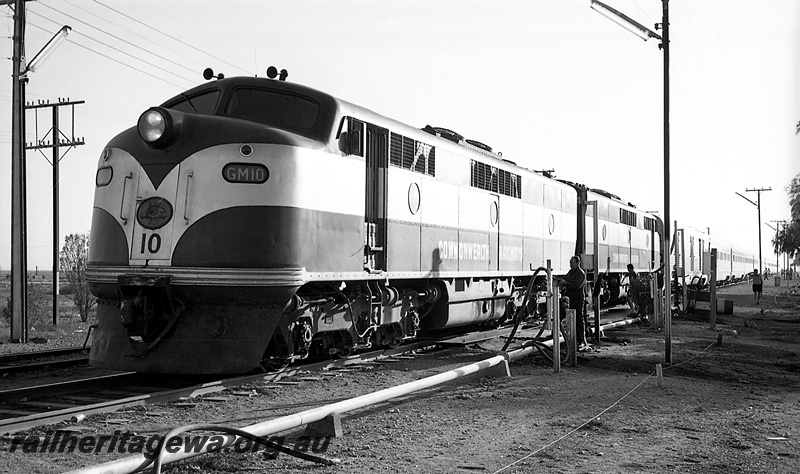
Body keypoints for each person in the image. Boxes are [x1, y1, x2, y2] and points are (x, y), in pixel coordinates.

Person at [560, 256, 589, 350]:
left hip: (577, 299)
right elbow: (566, 279)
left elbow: (576, 286)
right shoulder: (571, 272)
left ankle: (581, 340)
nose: (570, 265)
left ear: (578, 263)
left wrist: (565, 283)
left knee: (578, 320)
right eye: (570, 263)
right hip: (569, 299)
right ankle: (568, 338)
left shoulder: (581, 274)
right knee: (564, 317)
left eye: (572, 263)